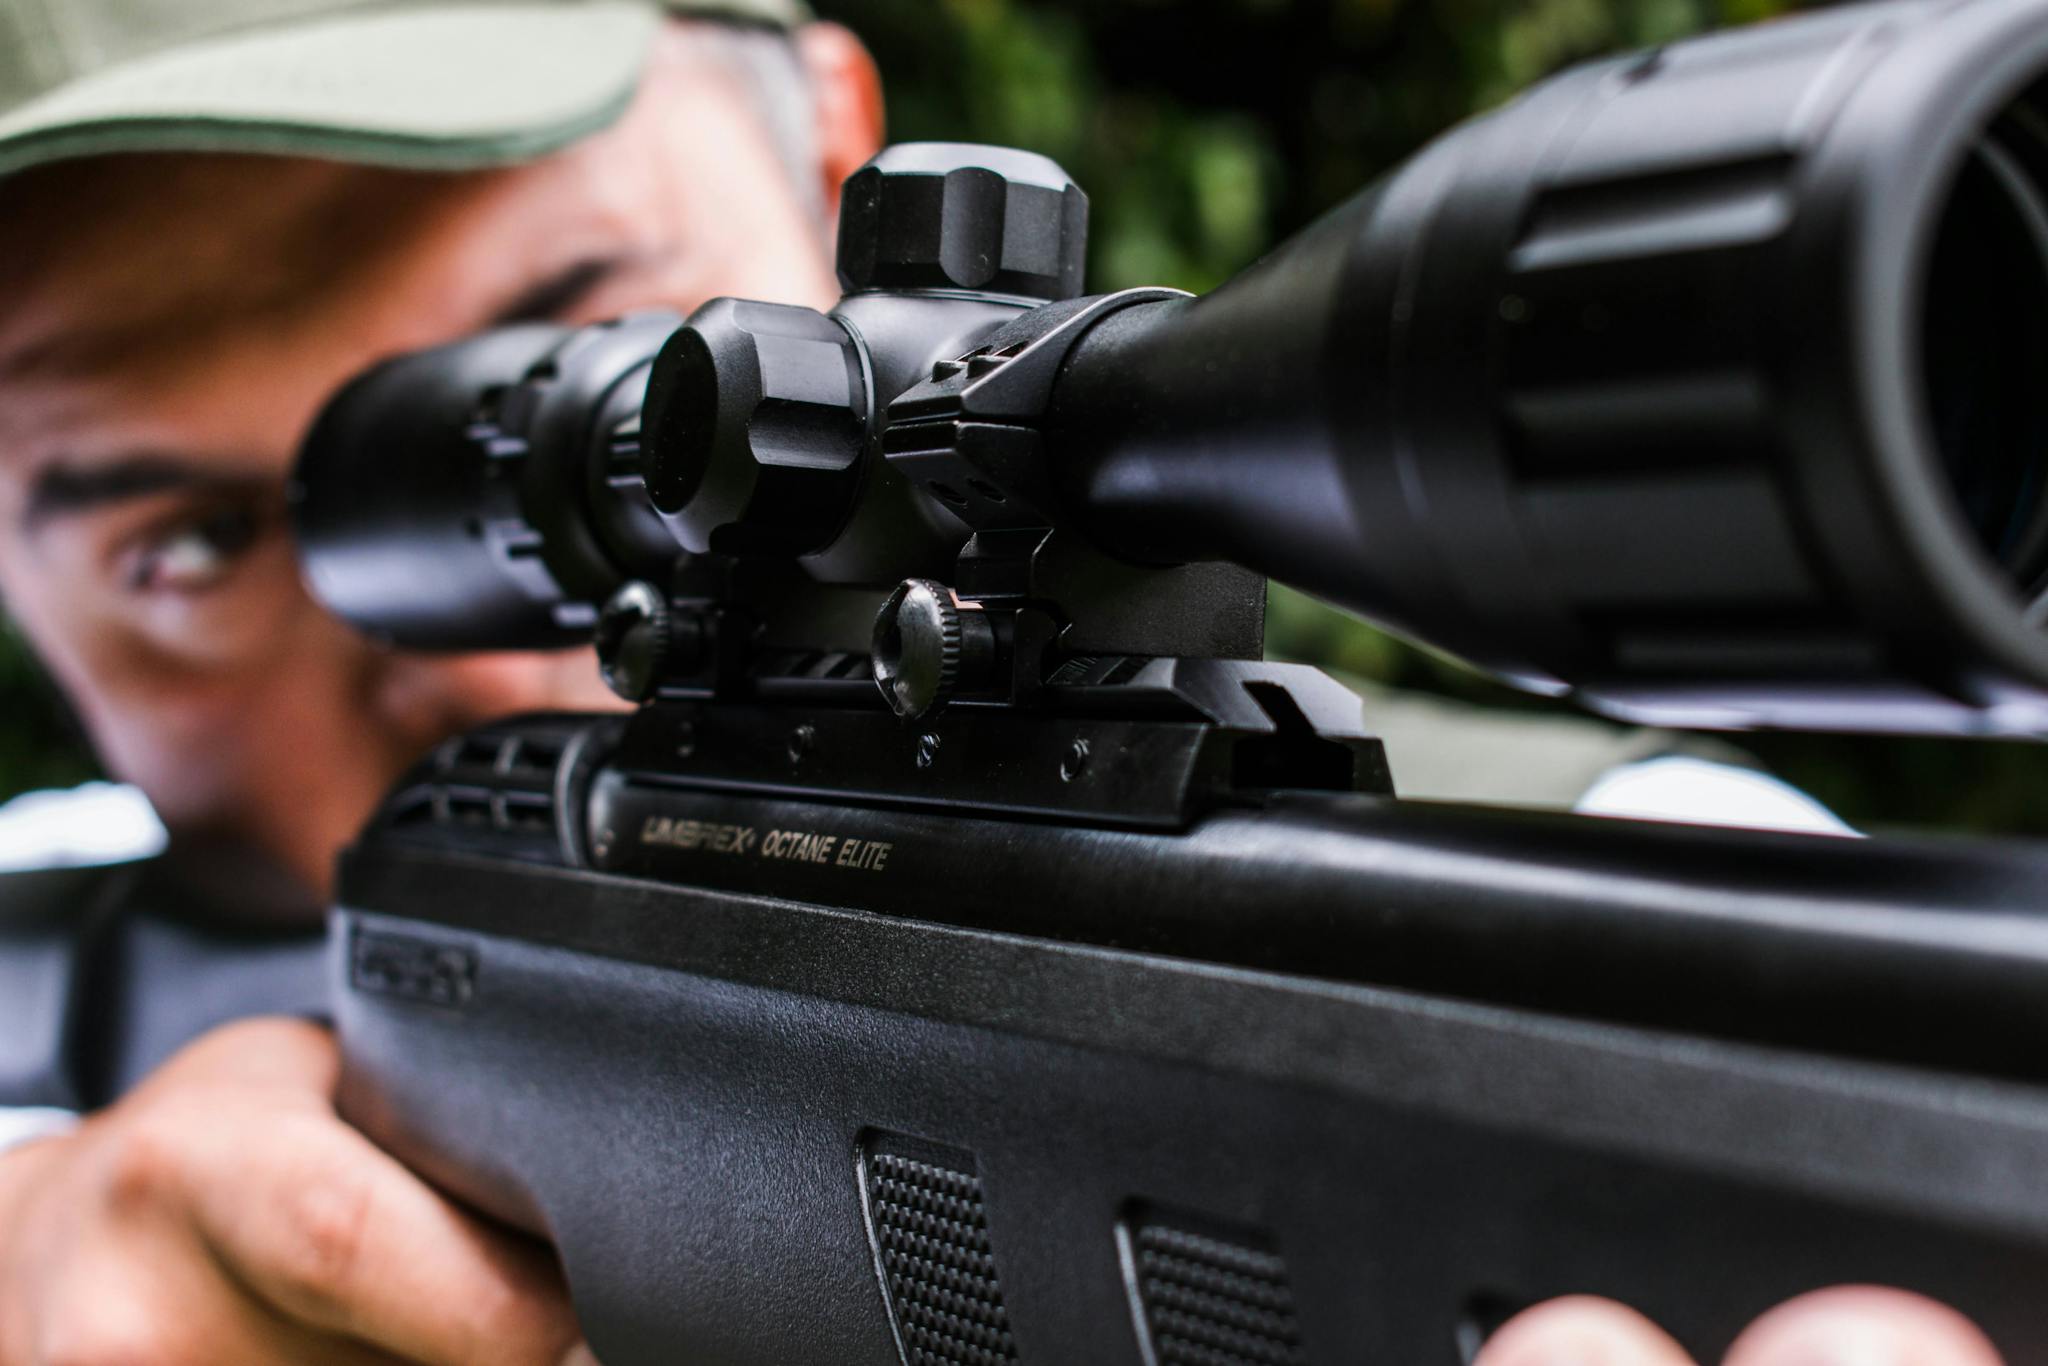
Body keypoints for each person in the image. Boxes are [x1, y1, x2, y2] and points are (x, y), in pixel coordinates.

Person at [0, 0, 2007, 1361]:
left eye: (604, 327)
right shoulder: (40, 971)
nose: (494, 654)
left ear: (838, 150)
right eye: (178, 547)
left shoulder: (1661, 862)